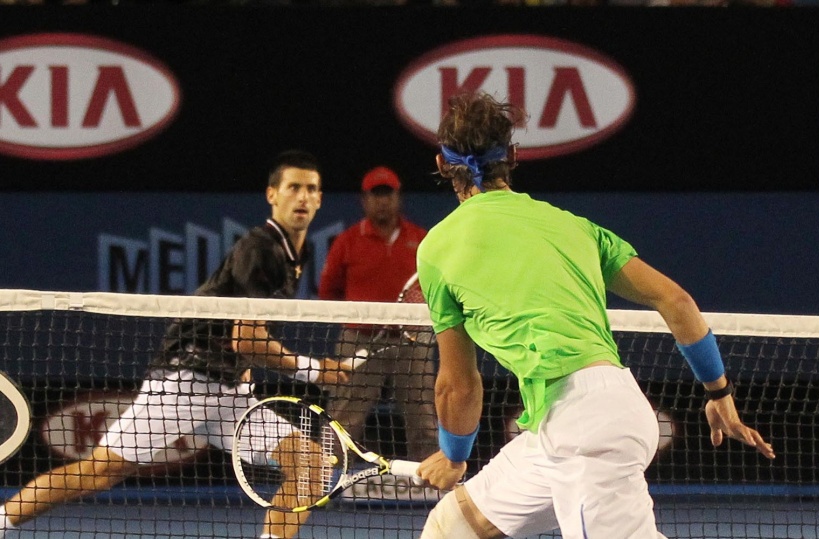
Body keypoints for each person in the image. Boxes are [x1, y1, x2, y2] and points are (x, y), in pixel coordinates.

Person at [412, 92, 775, 539]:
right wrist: (719, 392)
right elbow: (677, 301)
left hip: (587, 431)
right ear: (512, 156)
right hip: (573, 421)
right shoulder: (575, 226)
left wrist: (453, 455)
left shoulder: (436, 249)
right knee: (453, 527)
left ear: (442, 164)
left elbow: (458, 385)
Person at [0, 150, 353, 539]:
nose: (302, 197)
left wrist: (242, 365)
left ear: (320, 198)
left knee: (310, 465)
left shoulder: (292, 253)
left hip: (227, 390)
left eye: (311, 189)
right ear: (272, 194)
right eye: (293, 187)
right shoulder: (261, 249)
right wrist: (313, 370)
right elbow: (247, 337)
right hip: (186, 381)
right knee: (96, 473)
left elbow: (237, 331)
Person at [318, 166, 436, 463]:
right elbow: (328, 292)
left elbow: (435, 288)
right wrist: (356, 320)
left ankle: (434, 480)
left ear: (399, 198)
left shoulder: (422, 239)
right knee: (344, 415)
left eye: (388, 194)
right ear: (364, 200)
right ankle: (324, 474)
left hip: (412, 342)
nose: (382, 201)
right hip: (360, 340)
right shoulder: (347, 241)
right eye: (376, 195)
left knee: (423, 416)